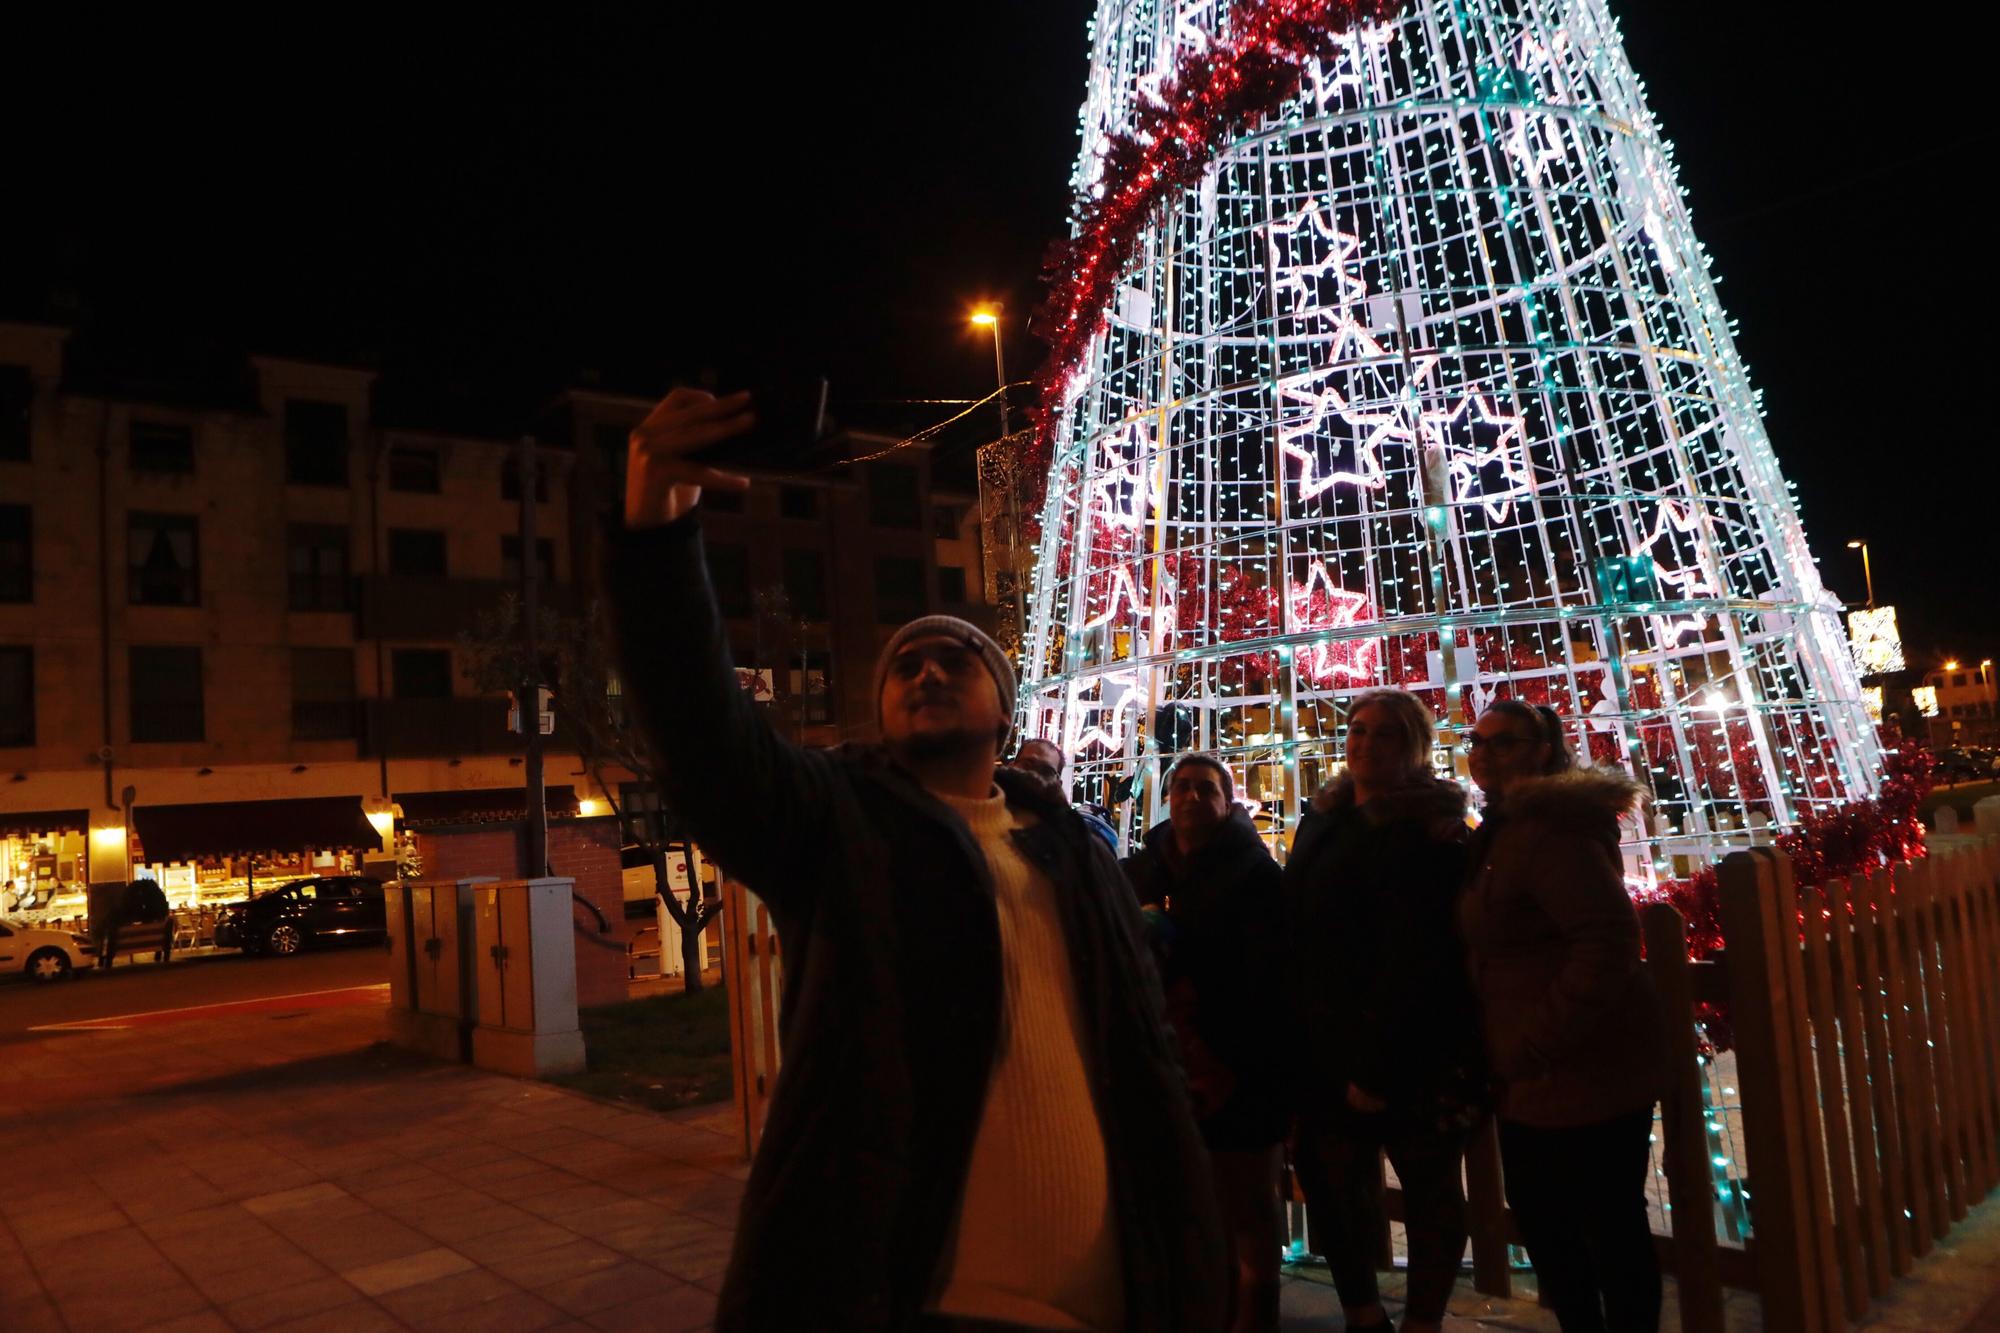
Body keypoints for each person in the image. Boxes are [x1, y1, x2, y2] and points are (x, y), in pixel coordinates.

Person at [613, 387, 1226, 1332]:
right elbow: (702, 732)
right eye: (904, 666)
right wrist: (658, 532)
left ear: (1006, 708)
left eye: (956, 658)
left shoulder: (1068, 848)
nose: (927, 670)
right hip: (927, 1299)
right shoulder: (838, 825)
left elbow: (1137, 1050)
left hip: (1116, 1294)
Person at [1460, 700, 1665, 1333]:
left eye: (1506, 742)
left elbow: (1605, 941)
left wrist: (1536, 1040)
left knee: (1604, 1232)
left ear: (1544, 750)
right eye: (1479, 740)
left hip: (1579, 1070)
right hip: (1535, 1076)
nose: (1487, 753)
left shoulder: (1553, 829)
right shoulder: (1503, 826)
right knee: (1557, 1233)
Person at [1282, 689, 1482, 1333]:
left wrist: (1376, 1062)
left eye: (1385, 734)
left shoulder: (1428, 832)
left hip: (1409, 1043)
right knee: (1330, 1180)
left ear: (1414, 746)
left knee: (1427, 1186)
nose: (1365, 744)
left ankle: (1423, 1319)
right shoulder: (1326, 817)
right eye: (1358, 731)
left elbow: (1419, 953)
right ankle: (1362, 1312)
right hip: (1322, 1033)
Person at [1120, 754, 1288, 1333]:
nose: (1191, 797)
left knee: (1247, 1205)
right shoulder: (1145, 869)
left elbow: (1269, 977)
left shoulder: (1255, 874)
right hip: (1167, 1062)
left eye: (1206, 789)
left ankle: (1254, 1316)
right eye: (1181, 787)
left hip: (1238, 1063)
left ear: (1227, 800)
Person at [1010, 737, 1119, 854]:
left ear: (1057, 783)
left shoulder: (1060, 841)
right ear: (1012, 766)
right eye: (1027, 765)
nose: (1034, 774)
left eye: (1046, 771)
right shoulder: (989, 807)